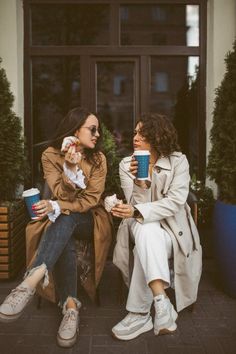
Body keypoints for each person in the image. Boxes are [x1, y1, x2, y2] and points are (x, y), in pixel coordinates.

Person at [0, 107, 113, 348]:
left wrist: (55, 205)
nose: (97, 135)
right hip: (65, 220)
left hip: (90, 219)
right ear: (75, 131)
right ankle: (71, 308)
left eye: (98, 131)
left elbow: (90, 201)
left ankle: (31, 281)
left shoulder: (99, 159)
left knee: (65, 217)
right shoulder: (50, 155)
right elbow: (62, 193)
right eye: (92, 129)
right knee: (64, 224)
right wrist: (69, 169)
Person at [111, 112, 202, 340]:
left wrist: (139, 211)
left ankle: (139, 314)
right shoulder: (125, 165)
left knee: (147, 238)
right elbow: (135, 207)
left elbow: (175, 202)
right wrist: (141, 182)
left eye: (143, 132)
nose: (136, 137)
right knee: (146, 229)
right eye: (135, 132)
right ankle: (162, 303)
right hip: (138, 225)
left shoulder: (178, 161)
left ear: (158, 135)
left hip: (173, 230)